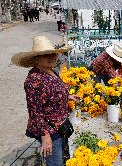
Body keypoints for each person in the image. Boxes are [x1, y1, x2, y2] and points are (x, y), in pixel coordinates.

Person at [11, 36, 77, 165]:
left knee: (61, 158)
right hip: (49, 130)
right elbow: (35, 112)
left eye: (53, 53)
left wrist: (67, 96)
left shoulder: (50, 71)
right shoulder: (34, 80)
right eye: (46, 55)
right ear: (36, 59)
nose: (52, 57)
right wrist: (45, 136)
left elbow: (50, 94)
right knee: (55, 162)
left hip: (61, 125)